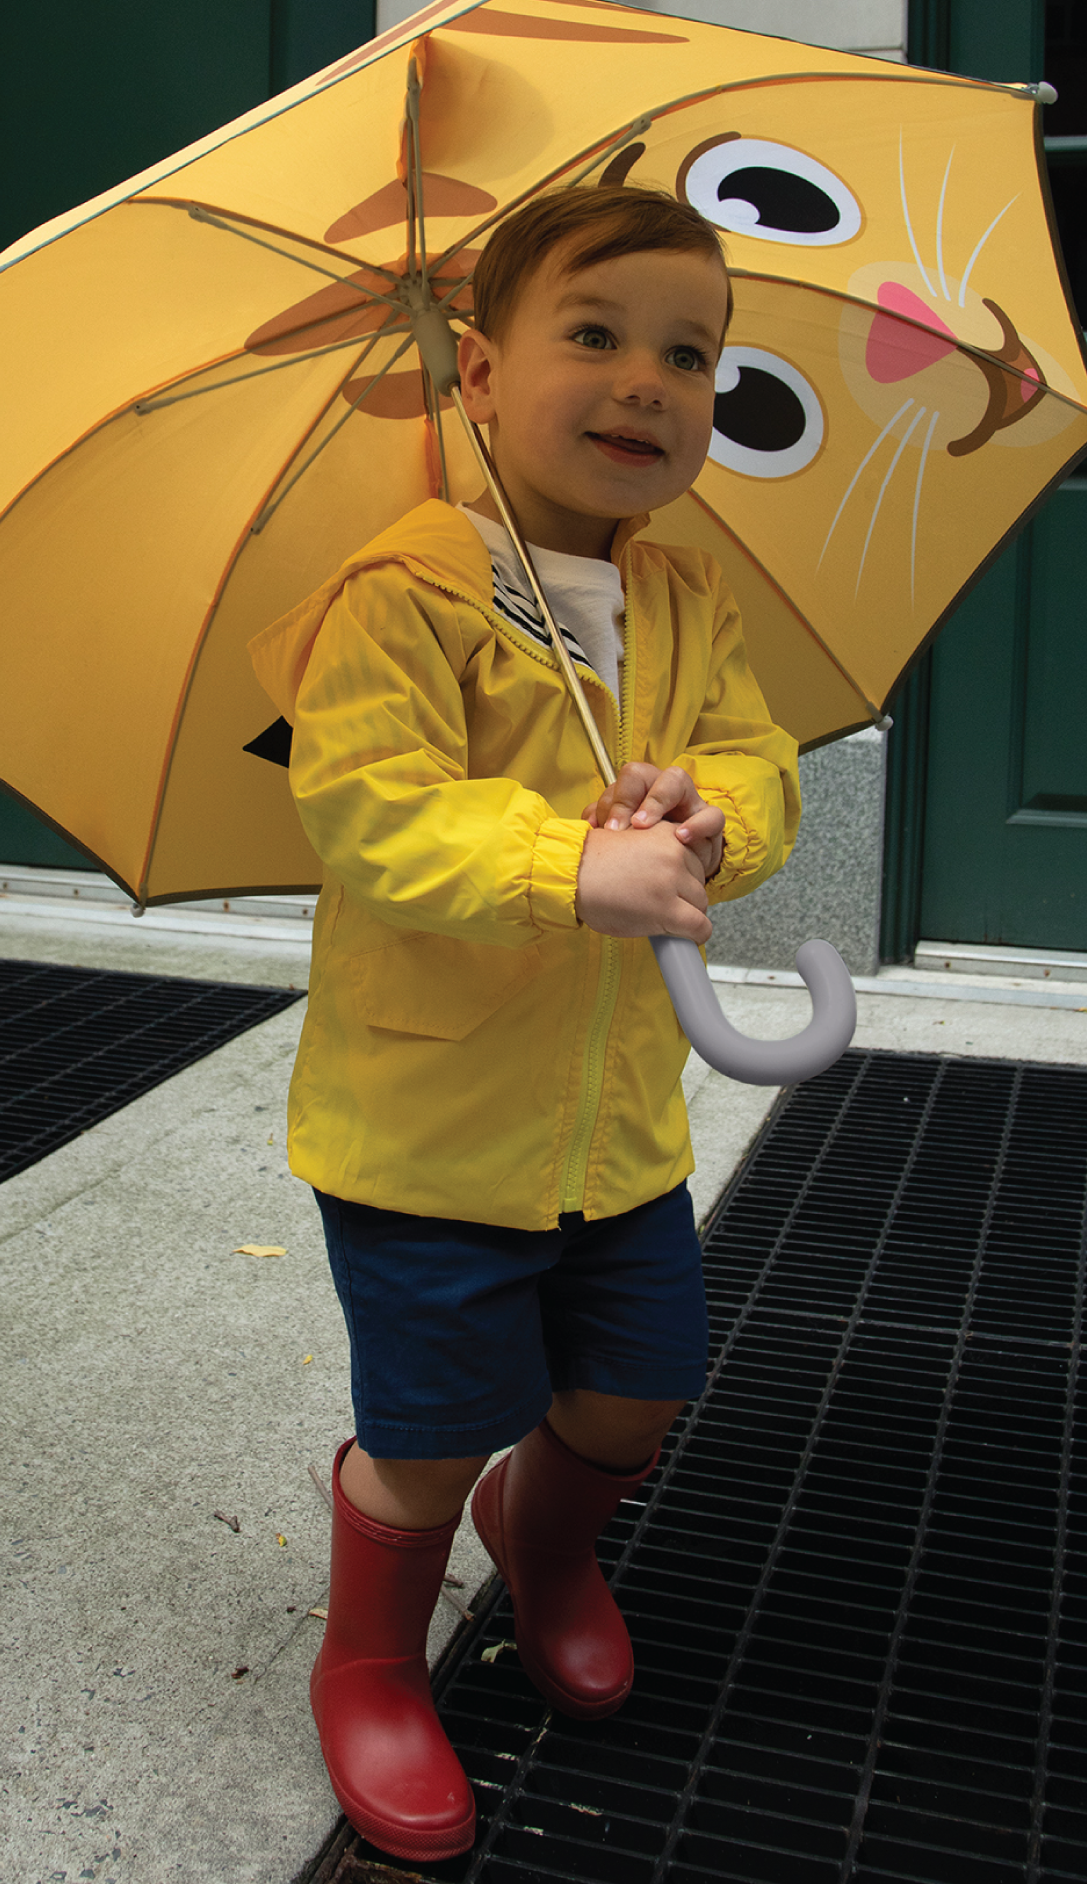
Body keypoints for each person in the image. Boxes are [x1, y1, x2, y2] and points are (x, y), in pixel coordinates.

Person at [248, 184, 801, 1862]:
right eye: (597, 335)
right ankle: (368, 1660)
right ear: (477, 374)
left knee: (630, 1404)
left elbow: (763, 761)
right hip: (428, 1131)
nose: (649, 380)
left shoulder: (691, 596)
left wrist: (711, 821)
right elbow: (372, 813)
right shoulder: (402, 592)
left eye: (691, 353)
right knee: (425, 1439)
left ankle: (548, 1547)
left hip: (614, 1123)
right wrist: (570, 860)